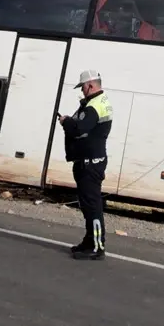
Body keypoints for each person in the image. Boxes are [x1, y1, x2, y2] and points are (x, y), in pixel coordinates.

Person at [59, 69, 114, 260]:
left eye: (82, 87)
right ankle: (90, 240)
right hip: (88, 161)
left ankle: (97, 247)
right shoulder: (98, 102)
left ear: (90, 85)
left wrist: (66, 122)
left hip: (90, 163)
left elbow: (80, 129)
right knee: (87, 205)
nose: (82, 91)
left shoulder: (93, 106)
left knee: (92, 206)